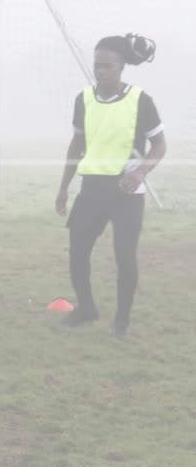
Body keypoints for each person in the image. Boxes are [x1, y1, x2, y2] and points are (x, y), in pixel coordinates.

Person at [55, 33, 166, 338]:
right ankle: (87, 309)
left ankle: (121, 322)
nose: (101, 70)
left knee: (124, 256)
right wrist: (64, 187)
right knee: (77, 251)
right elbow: (76, 144)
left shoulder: (141, 101)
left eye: (107, 66)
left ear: (121, 67)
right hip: (91, 188)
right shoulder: (84, 99)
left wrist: (139, 173)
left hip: (126, 192)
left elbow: (159, 145)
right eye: (97, 65)